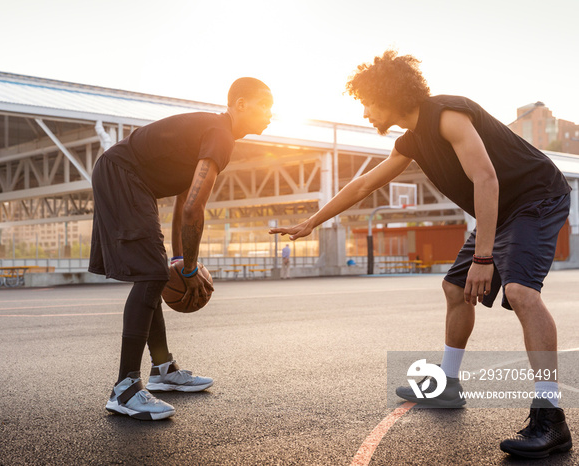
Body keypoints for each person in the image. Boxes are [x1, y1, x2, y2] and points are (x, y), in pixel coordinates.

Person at [269, 50, 572, 458]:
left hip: (536, 197)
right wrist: (312, 222)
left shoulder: (447, 115)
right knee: (453, 288)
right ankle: (447, 384)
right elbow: (361, 187)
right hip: (500, 209)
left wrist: (484, 259)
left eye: (367, 102)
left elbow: (485, 177)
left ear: (389, 95)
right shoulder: (410, 141)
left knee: (520, 292)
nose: (364, 111)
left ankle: (552, 420)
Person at [89, 78, 273, 420]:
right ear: (242, 104)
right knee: (151, 274)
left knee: (155, 273)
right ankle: (124, 389)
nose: (272, 114)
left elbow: (182, 203)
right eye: (266, 105)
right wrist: (188, 268)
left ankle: (162, 370)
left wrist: (177, 258)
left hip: (125, 175)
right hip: (123, 175)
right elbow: (193, 209)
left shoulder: (214, 131)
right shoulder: (220, 133)